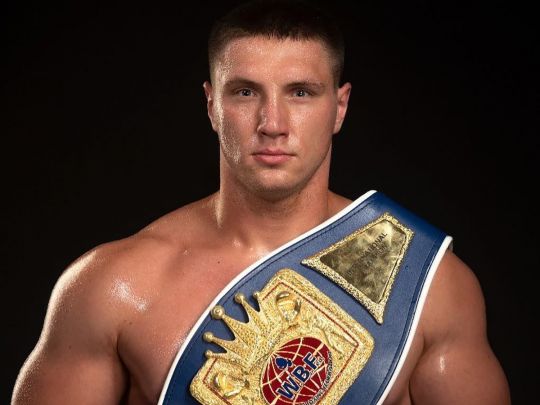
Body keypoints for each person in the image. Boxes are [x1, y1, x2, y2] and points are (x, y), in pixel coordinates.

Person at [13, 1, 510, 404]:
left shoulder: (431, 287)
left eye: (301, 93)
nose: (273, 124)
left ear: (339, 107)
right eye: (246, 92)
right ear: (212, 104)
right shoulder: (113, 287)